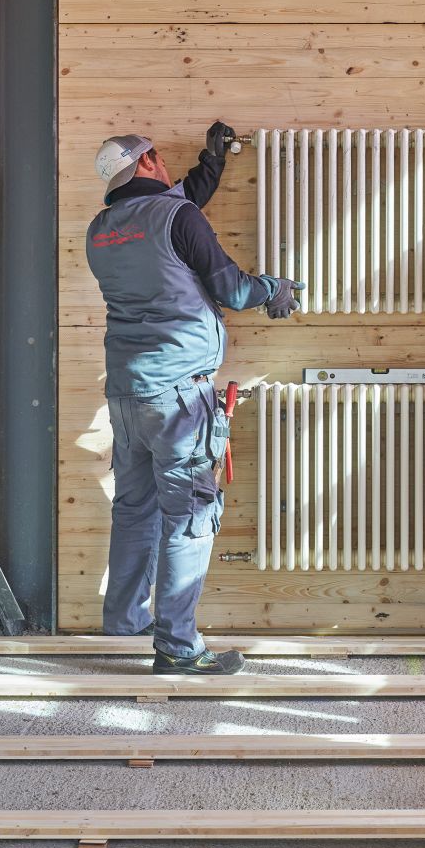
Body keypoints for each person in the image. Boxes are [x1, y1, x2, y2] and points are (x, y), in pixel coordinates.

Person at [86, 123, 303, 676]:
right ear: (150, 161)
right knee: (190, 515)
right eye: (161, 161)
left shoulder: (102, 229)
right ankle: (178, 647)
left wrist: (212, 167)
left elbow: (172, 220)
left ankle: (123, 632)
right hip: (179, 394)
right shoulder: (177, 217)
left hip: (126, 392)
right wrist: (272, 288)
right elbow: (229, 287)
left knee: (134, 511)